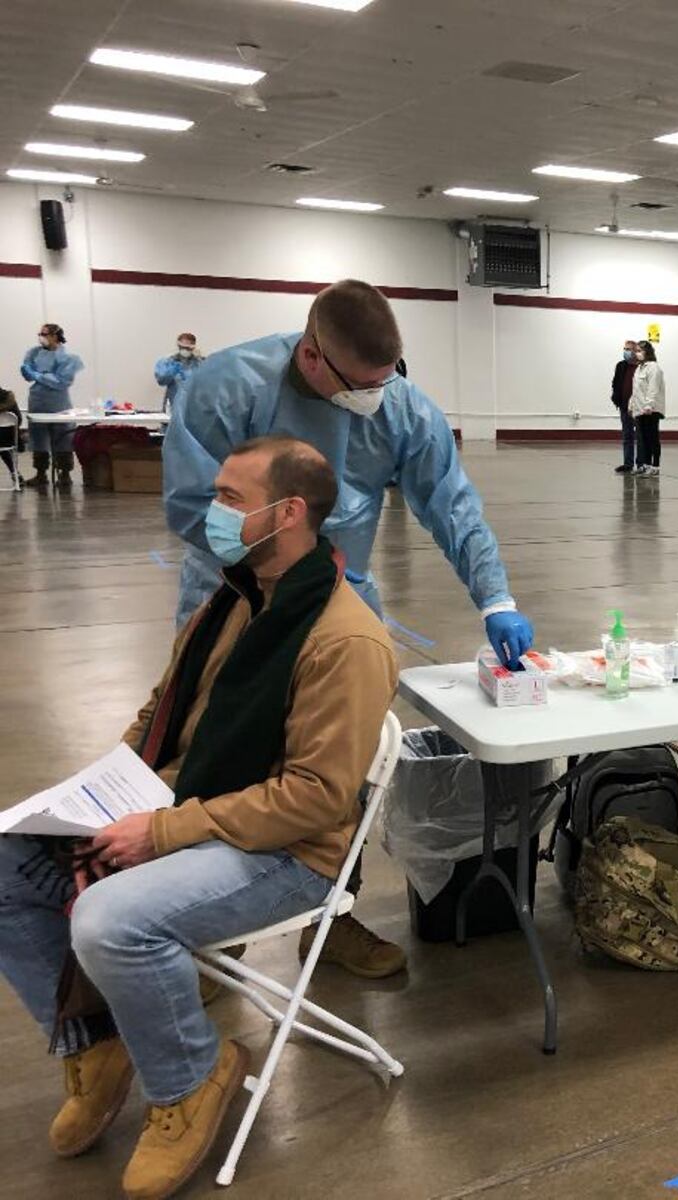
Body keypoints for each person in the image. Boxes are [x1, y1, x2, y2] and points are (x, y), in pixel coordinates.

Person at [0, 436, 397, 1199]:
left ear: (286, 515)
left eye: (228, 499)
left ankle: (189, 1076)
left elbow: (315, 797)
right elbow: (163, 708)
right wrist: (102, 792)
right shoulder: (235, 598)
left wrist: (162, 829)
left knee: (112, 921)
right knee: (13, 860)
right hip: (193, 805)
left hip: (289, 858)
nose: (209, 511)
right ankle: (101, 1040)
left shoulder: (343, 639)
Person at [162, 280, 533, 978]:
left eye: (384, 381)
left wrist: (495, 597)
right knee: (213, 759)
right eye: (359, 384)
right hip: (234, 596)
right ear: (311, 355)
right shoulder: (228, 388)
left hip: (338, 606)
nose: (374, 396)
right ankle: (210, 927)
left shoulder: (397, 407)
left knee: (339, 773)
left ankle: (331, 916)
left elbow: (450, 504)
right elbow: (193, 507)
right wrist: (278, 563)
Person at [20, 323, 83, 489]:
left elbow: (62, 382)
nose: (41, 337)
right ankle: (41, 474)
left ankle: (65, 475)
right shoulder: (34, 353)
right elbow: (29, 374)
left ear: (55, 335)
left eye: (44, 334)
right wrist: (29, 372)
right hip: (37, 402)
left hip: (59, 404)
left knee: (63, 439)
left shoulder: (69, 358)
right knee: (38, 439)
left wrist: (38, 376)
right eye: (40, 333)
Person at [629, 340, 665, 475]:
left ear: (647, 352)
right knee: (643, 439)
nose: (637, 354)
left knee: (652, 438)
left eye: (640, 351)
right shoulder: (639, 368)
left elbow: (653, 389)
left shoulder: (653, 367)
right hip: (640, 410)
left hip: (651, 410)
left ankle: (655, 466)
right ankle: (646, 465)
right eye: (636, 351)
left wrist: (649, 405)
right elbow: (636, 390)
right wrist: (631, 405)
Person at [153, 333, 203, 412]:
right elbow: (161, 380)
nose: (184, 350)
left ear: (193, 348)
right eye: (182, 347)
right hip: (173, 405)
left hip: (194, 406)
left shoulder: (200, 364)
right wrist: (172, 371)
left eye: (187, 348)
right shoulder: (168, 362)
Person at [610, 339, 639, 475]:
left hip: (639, 407)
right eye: (624, 349)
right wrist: (616, 398)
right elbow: (615, 382)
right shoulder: (621, 366)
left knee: (641, 437)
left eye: (628, 349)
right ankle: (628, 464)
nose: (625, 352)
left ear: (635, 351)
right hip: (624, 406)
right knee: (627, 436)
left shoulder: (642, 366)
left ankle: (641, 464)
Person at [0, 382, 19, 482]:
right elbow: (18, 419)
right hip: (9, 440)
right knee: (3, 447)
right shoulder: (9, 398)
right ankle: (14, 473)